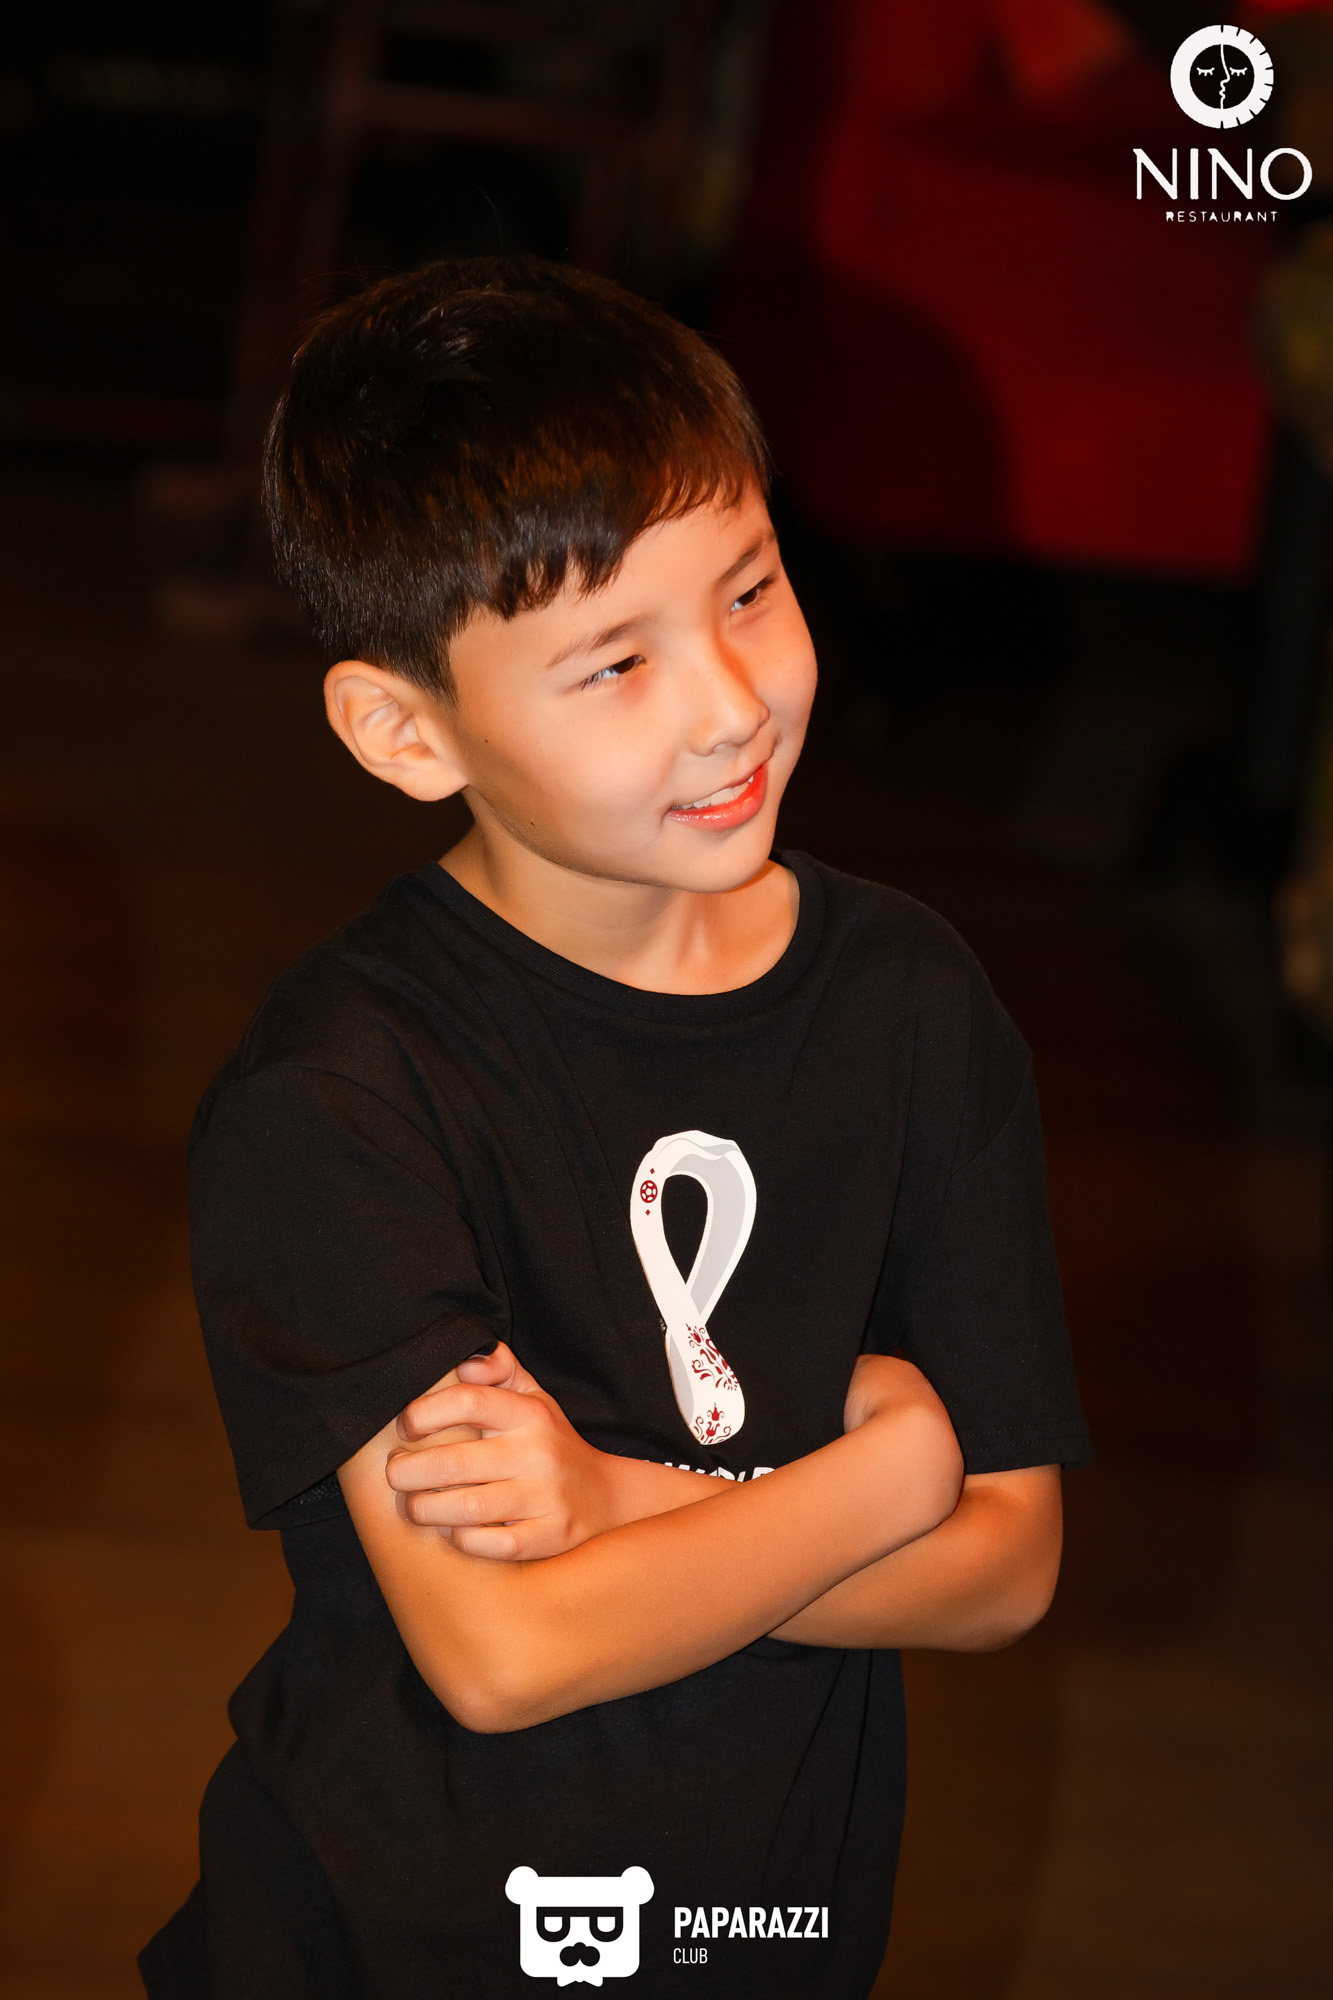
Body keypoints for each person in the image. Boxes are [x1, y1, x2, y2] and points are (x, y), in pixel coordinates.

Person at [139, 255, 1090, 2000]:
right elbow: (503, 1651)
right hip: (388, 1944)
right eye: (613, 663)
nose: (727, 702)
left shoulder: (909, 1007)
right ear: (403, 731)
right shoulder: (338, 1092)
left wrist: (612, 1497)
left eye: (750, 589)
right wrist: (886, 1481)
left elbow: (1004, 1569)